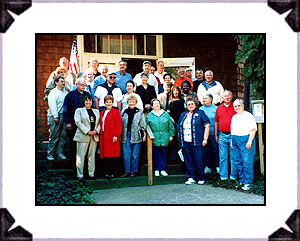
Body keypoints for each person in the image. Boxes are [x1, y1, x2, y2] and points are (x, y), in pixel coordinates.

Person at [178, 98, 210, 185]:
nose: (190, 106)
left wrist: (205, 139)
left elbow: (207, 125)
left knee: (199, 160)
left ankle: (201, 177)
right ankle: (191, 177)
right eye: (188, 104)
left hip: (198, 141)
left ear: (195, 105)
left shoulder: (200, 113)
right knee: (188, 160)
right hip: (185, 141)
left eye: (192, 104)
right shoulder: (183, 115)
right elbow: (179, 127)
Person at [62, 78, 91, 166]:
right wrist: (68, 122)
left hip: (86, 125)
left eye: (84, 84)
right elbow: (66, 109)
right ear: (76, 84)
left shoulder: (87, 94)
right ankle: (74, 166)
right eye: (81, 84)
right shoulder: (70, 95)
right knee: (74, 146)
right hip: (73, 124)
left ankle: (84, 167)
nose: (83, 86)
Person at [231, 99, 257, 191]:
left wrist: (249, 141)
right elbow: (232, 130)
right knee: (238, 161)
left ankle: (248, 182)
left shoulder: (248, 116)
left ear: (242, 106)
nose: (237, 107)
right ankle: (242, 180)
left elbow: (253, 129)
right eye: (235, 106)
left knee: (246, 162)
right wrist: (231, 141)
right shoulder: (234, 117)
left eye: (239, 105)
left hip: (245, 139)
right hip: (235, 139)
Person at [73, 95, 100, 182]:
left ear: (92, 102)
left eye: (90, 101)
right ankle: (80, 175)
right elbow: (78, 122)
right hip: (83, 135)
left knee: (92, 156)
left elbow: (100, 123)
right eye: (86, 101)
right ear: (84, 102)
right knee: (81, 155)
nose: (88, 102)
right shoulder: (79, 110)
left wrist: (96, 131)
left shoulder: (96, 111)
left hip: (94, 136)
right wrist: (87, 131)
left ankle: (91, 174)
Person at [146, 99, 175, 177]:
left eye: (158, 103)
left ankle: (162, 169)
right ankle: (156, 170)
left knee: (163, 153)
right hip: (154, 137)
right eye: (154, 104)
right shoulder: (149, 115)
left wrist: (171, 135)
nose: (156, 105)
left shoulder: (165, 114)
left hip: (165, 137)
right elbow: (146, 127)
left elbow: (170, 125)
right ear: (152, 106)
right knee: (155, 153)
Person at [120, 95, 147, 178]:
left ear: (136, 103)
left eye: (133, 102)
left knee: (135, 154)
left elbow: (143, 124)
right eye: (130, 102)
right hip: (126, 135)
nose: (131, 103)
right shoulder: (123, 112)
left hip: (136, 134)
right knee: (126, 154)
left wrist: (144, 135)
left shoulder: (139, 112)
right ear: (127, 103)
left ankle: (133, 171)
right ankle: (127, 171)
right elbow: (120, 124)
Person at [214, 90, 237, 181]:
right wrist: (216, 135)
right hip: (222, 135)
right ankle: (223, 177)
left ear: (231, 97)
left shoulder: (235, 107)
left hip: (233, 135)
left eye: (228, 96)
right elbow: (216, 122)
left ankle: (233, 176)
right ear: (222, 98)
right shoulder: (219, 108)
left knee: (233, 157)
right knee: (223, 157)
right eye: (225, 96)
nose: (227, 98)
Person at [99, 95, 122, 179]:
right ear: (104, 103)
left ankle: (112, 173)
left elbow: (118, 125)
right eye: (107, 102)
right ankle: (106, 173)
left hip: (112, 136)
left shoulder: (115, 112)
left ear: (113, 103)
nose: (108, 103)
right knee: (105, 156)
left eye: (110, 102)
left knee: (112, 155)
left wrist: (116, 135)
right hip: (104, 136)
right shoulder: (102, 113)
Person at [46, 76, 67, 161]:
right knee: (54, 136)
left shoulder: (65, 93)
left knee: (63, 136)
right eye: (61, 81)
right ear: (56, 82)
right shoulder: (53, 92)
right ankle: (50, 153)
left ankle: (59, 153)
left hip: (63, 116)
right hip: (55, 116)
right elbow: (52, 105)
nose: (63, 83)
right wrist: (55, 116)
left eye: (64, 81)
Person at [200, 94, 220, 173]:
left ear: (211, 99)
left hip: (214, 133)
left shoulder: (216, 108)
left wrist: (217, 133)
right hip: (204, 134)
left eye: (206, 98)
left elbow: (218, 121)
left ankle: (218, 167)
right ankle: (208, 167)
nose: (204, 99)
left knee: (215, 150)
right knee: (206, 151)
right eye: (203, 98)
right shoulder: (201, 109)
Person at [167, 85, 186, 161]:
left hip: (180, 122)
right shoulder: (170, 101)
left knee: (179, 139)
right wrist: (170, 118)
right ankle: (173, 157)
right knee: (173, 139)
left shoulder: (182, 101)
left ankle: (180, 157)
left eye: (177, 90)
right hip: (172, 122)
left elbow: (184, 112)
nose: (175, 92)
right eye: (174, 90)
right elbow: (168, 112)